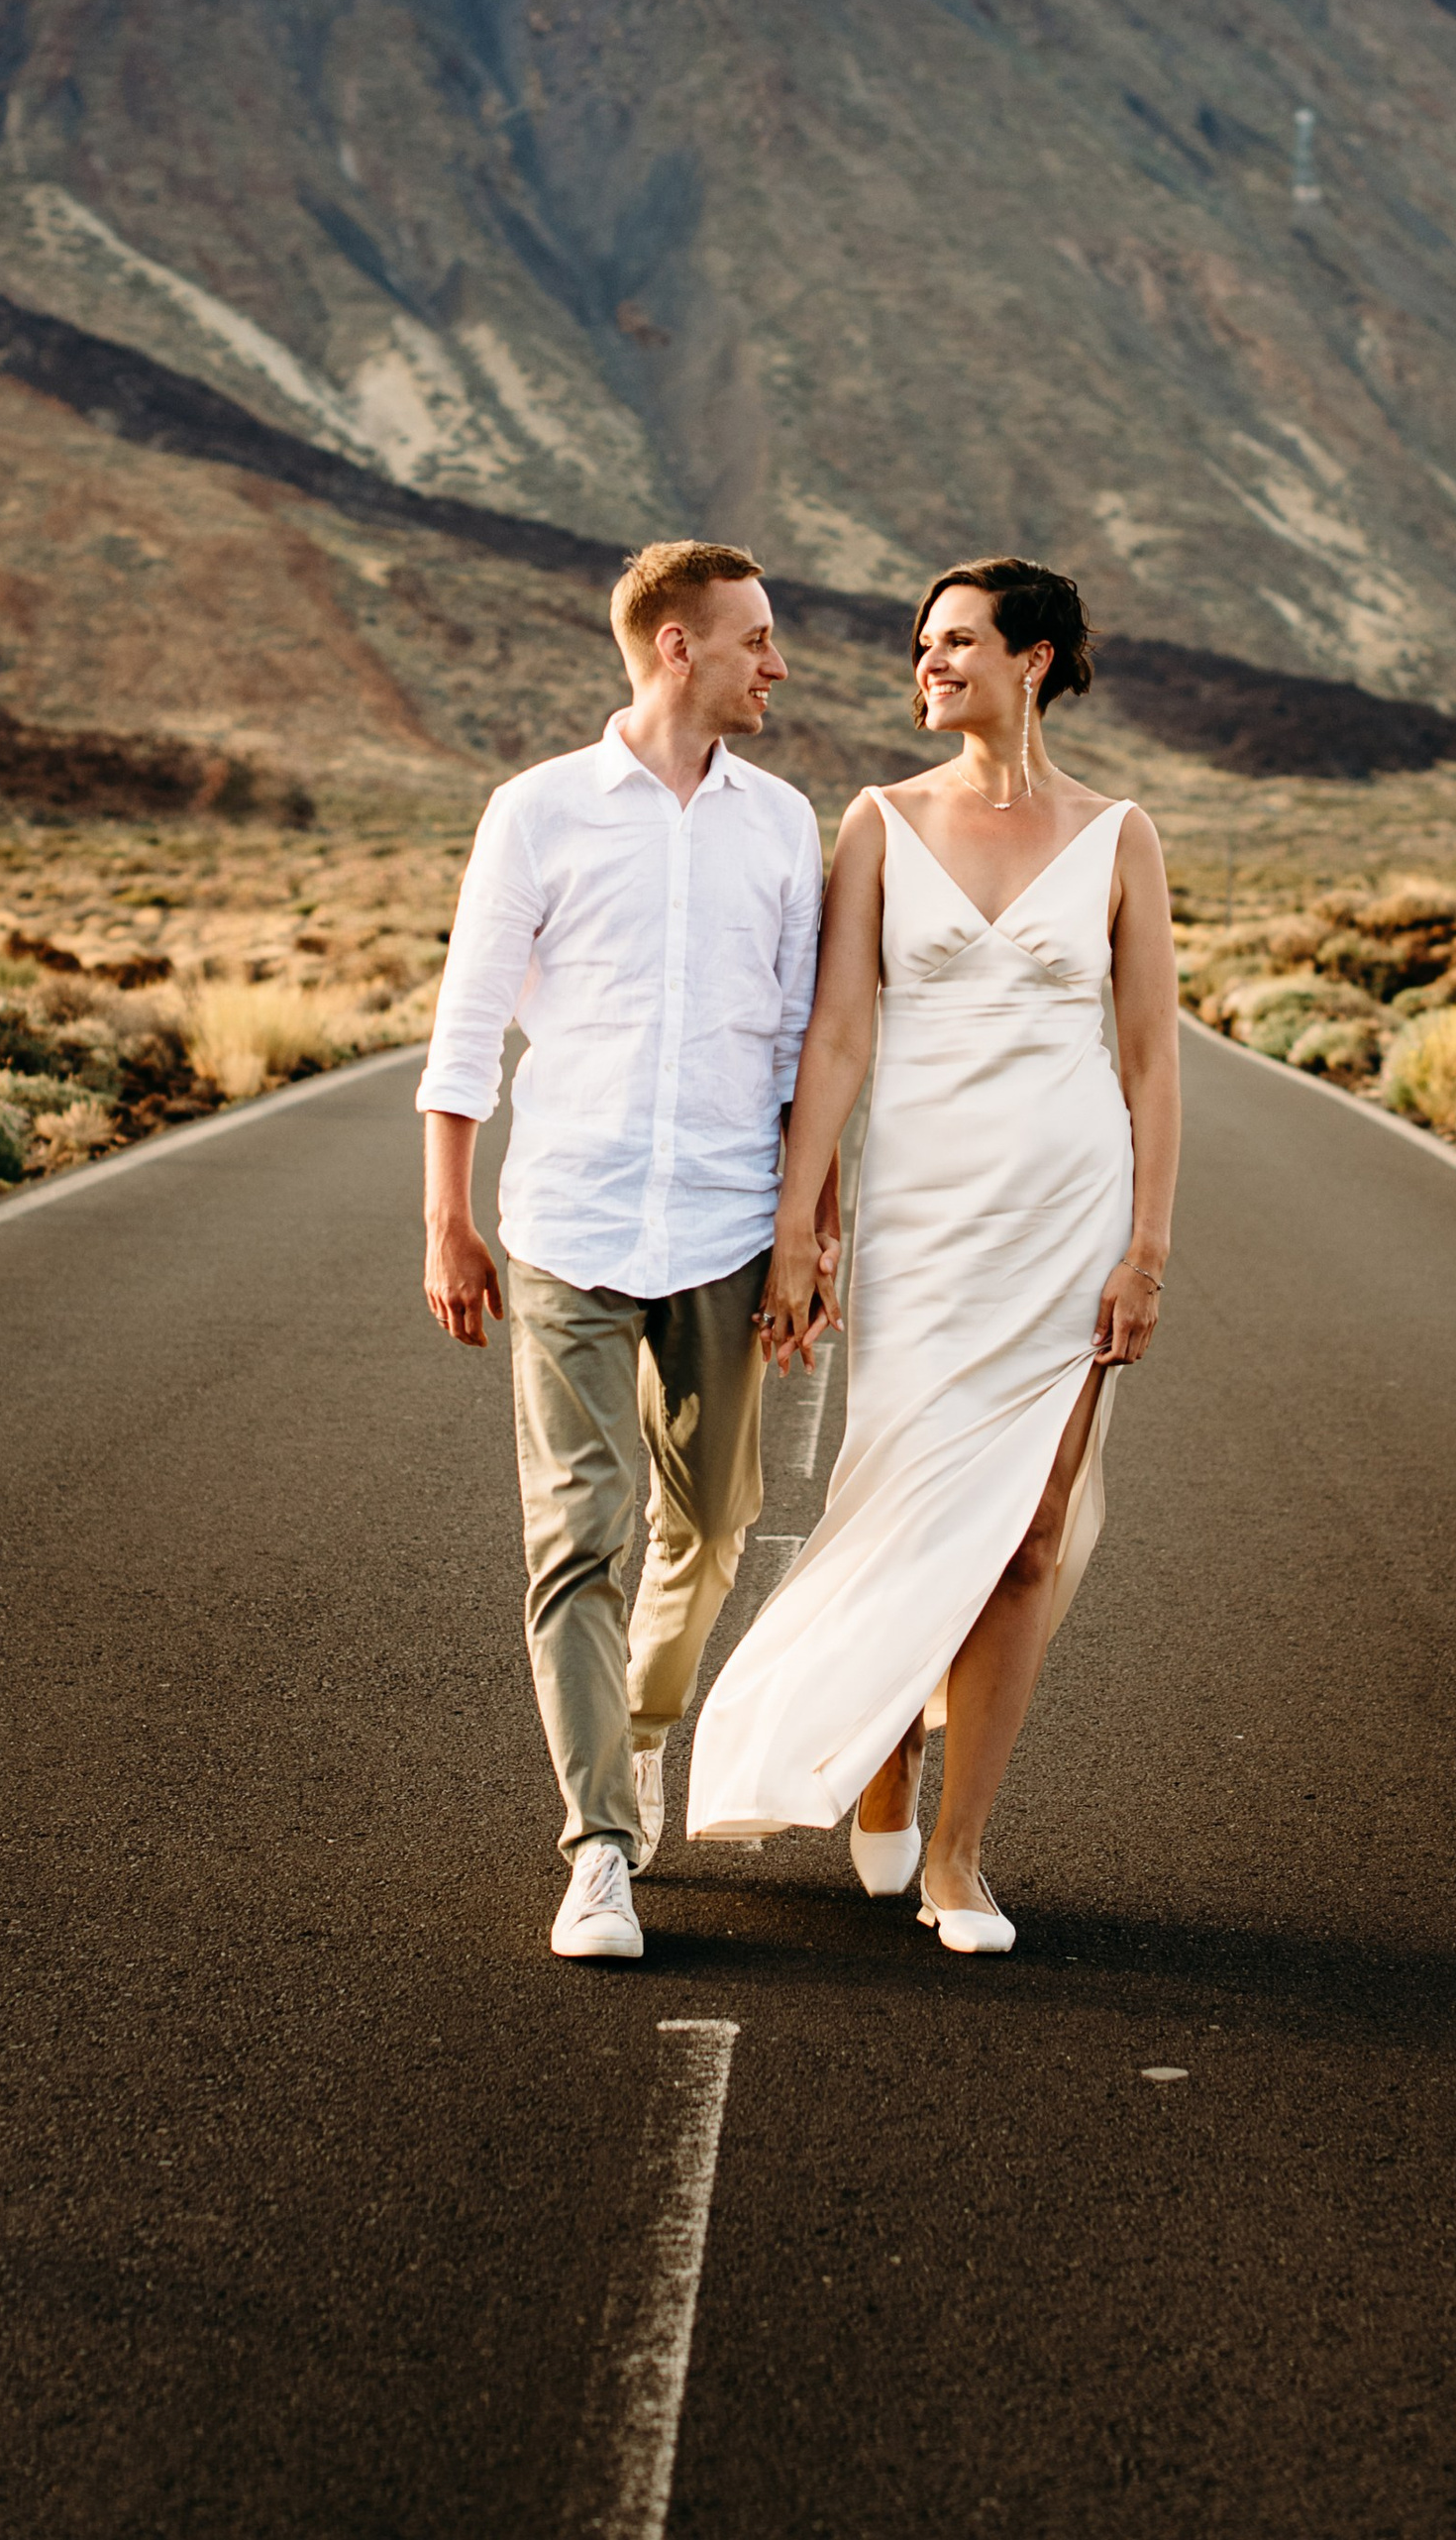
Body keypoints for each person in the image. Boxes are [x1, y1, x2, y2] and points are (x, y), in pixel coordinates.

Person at [685, 558, 1181, 1953]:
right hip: (925, 1225)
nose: (929, 664)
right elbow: (835, 1037)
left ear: (1033, 660)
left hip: (1067, 1219)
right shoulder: (880, 823)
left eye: (957, 641)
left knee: (1026, 1538)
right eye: (922, 645)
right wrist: (801, 1224)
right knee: (903, 1504)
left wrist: (1147, 1248)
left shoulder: (1120, 833)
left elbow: (1151, 1061)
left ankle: (961, 1852)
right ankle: (882, 1746)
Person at [415, 540, 826, 1962]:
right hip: (569, 1227)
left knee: (712, 1526)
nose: (777, 663)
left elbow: (793, 1050)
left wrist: (802, 1230)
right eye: (757, 638)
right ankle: (597, 1843)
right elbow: (467, 1029)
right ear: (677, 647)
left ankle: (640, 1727)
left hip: (721, 1225)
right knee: (577, 1532)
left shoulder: (782, 826)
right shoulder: (534, 815)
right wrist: (445, 1215)